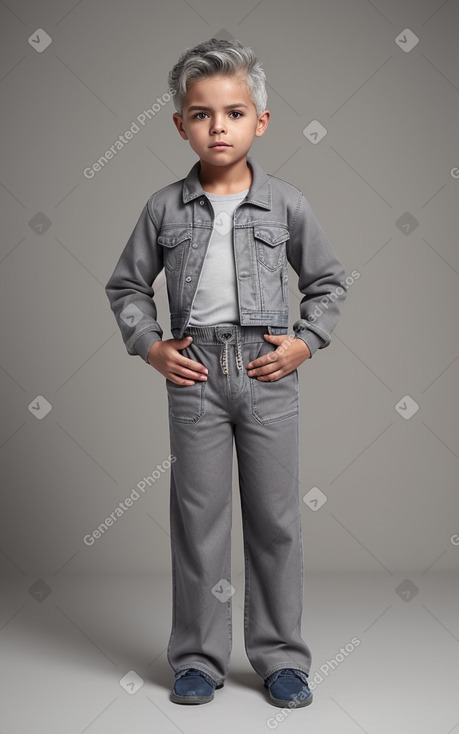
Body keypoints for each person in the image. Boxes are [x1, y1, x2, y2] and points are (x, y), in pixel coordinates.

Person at [105, 38, 347, 708]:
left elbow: (327, 283)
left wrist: (305, 342)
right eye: (202, 113)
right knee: (198, 518)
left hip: (269, 374)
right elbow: (126, 288)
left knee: (273, 520)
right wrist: (152, 347)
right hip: (196, 375)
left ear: (259, 122)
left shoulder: (287, 205)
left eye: (234, 112)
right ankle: (197, 658)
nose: (218, 126)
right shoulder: (163, 209)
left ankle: (280, 659)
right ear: (180, 124)